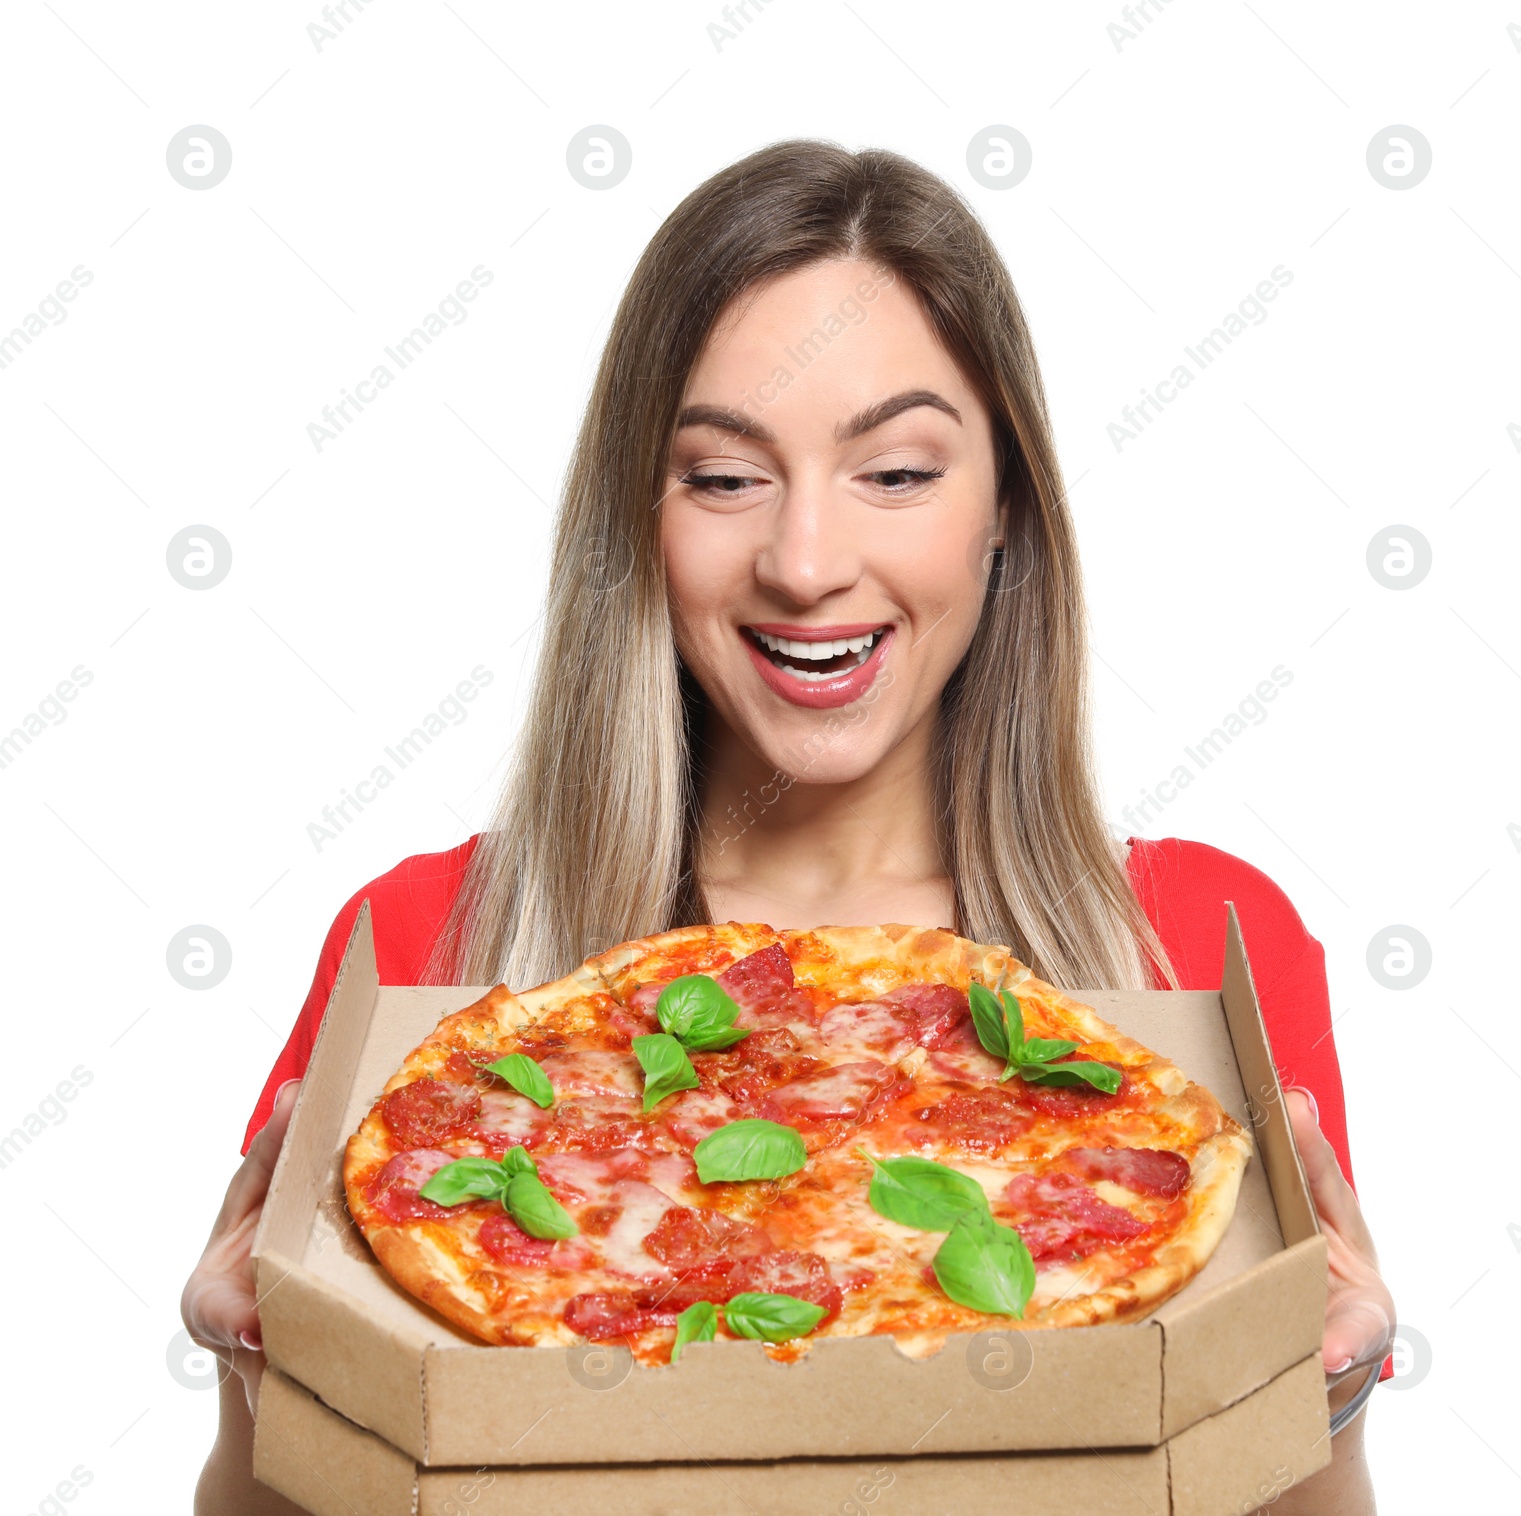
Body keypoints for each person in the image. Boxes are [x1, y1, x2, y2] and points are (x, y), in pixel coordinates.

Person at [182, 140, 1394, 1513]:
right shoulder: (427, 943)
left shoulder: (1197, 946)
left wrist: (1328, 1401)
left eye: (895, 472)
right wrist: (258, 1385)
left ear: (1007, 513)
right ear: (640, 522)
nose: (806, 563)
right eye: (722, 476)